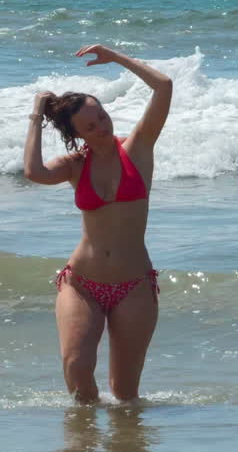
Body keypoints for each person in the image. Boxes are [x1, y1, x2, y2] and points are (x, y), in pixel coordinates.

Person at [23, 44, 172, 403]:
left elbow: (164, 86)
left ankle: (122, 442)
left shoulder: (137, 148)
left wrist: (115, 57)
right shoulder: (75, 165)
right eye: (91, 126)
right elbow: (34, 172)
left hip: (134, 285)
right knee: (77, 368)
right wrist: (36, 116)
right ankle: (83, 438)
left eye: (103, 117)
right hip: (82, 284)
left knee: (125, 393)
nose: (102, 127)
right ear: (78, 134)